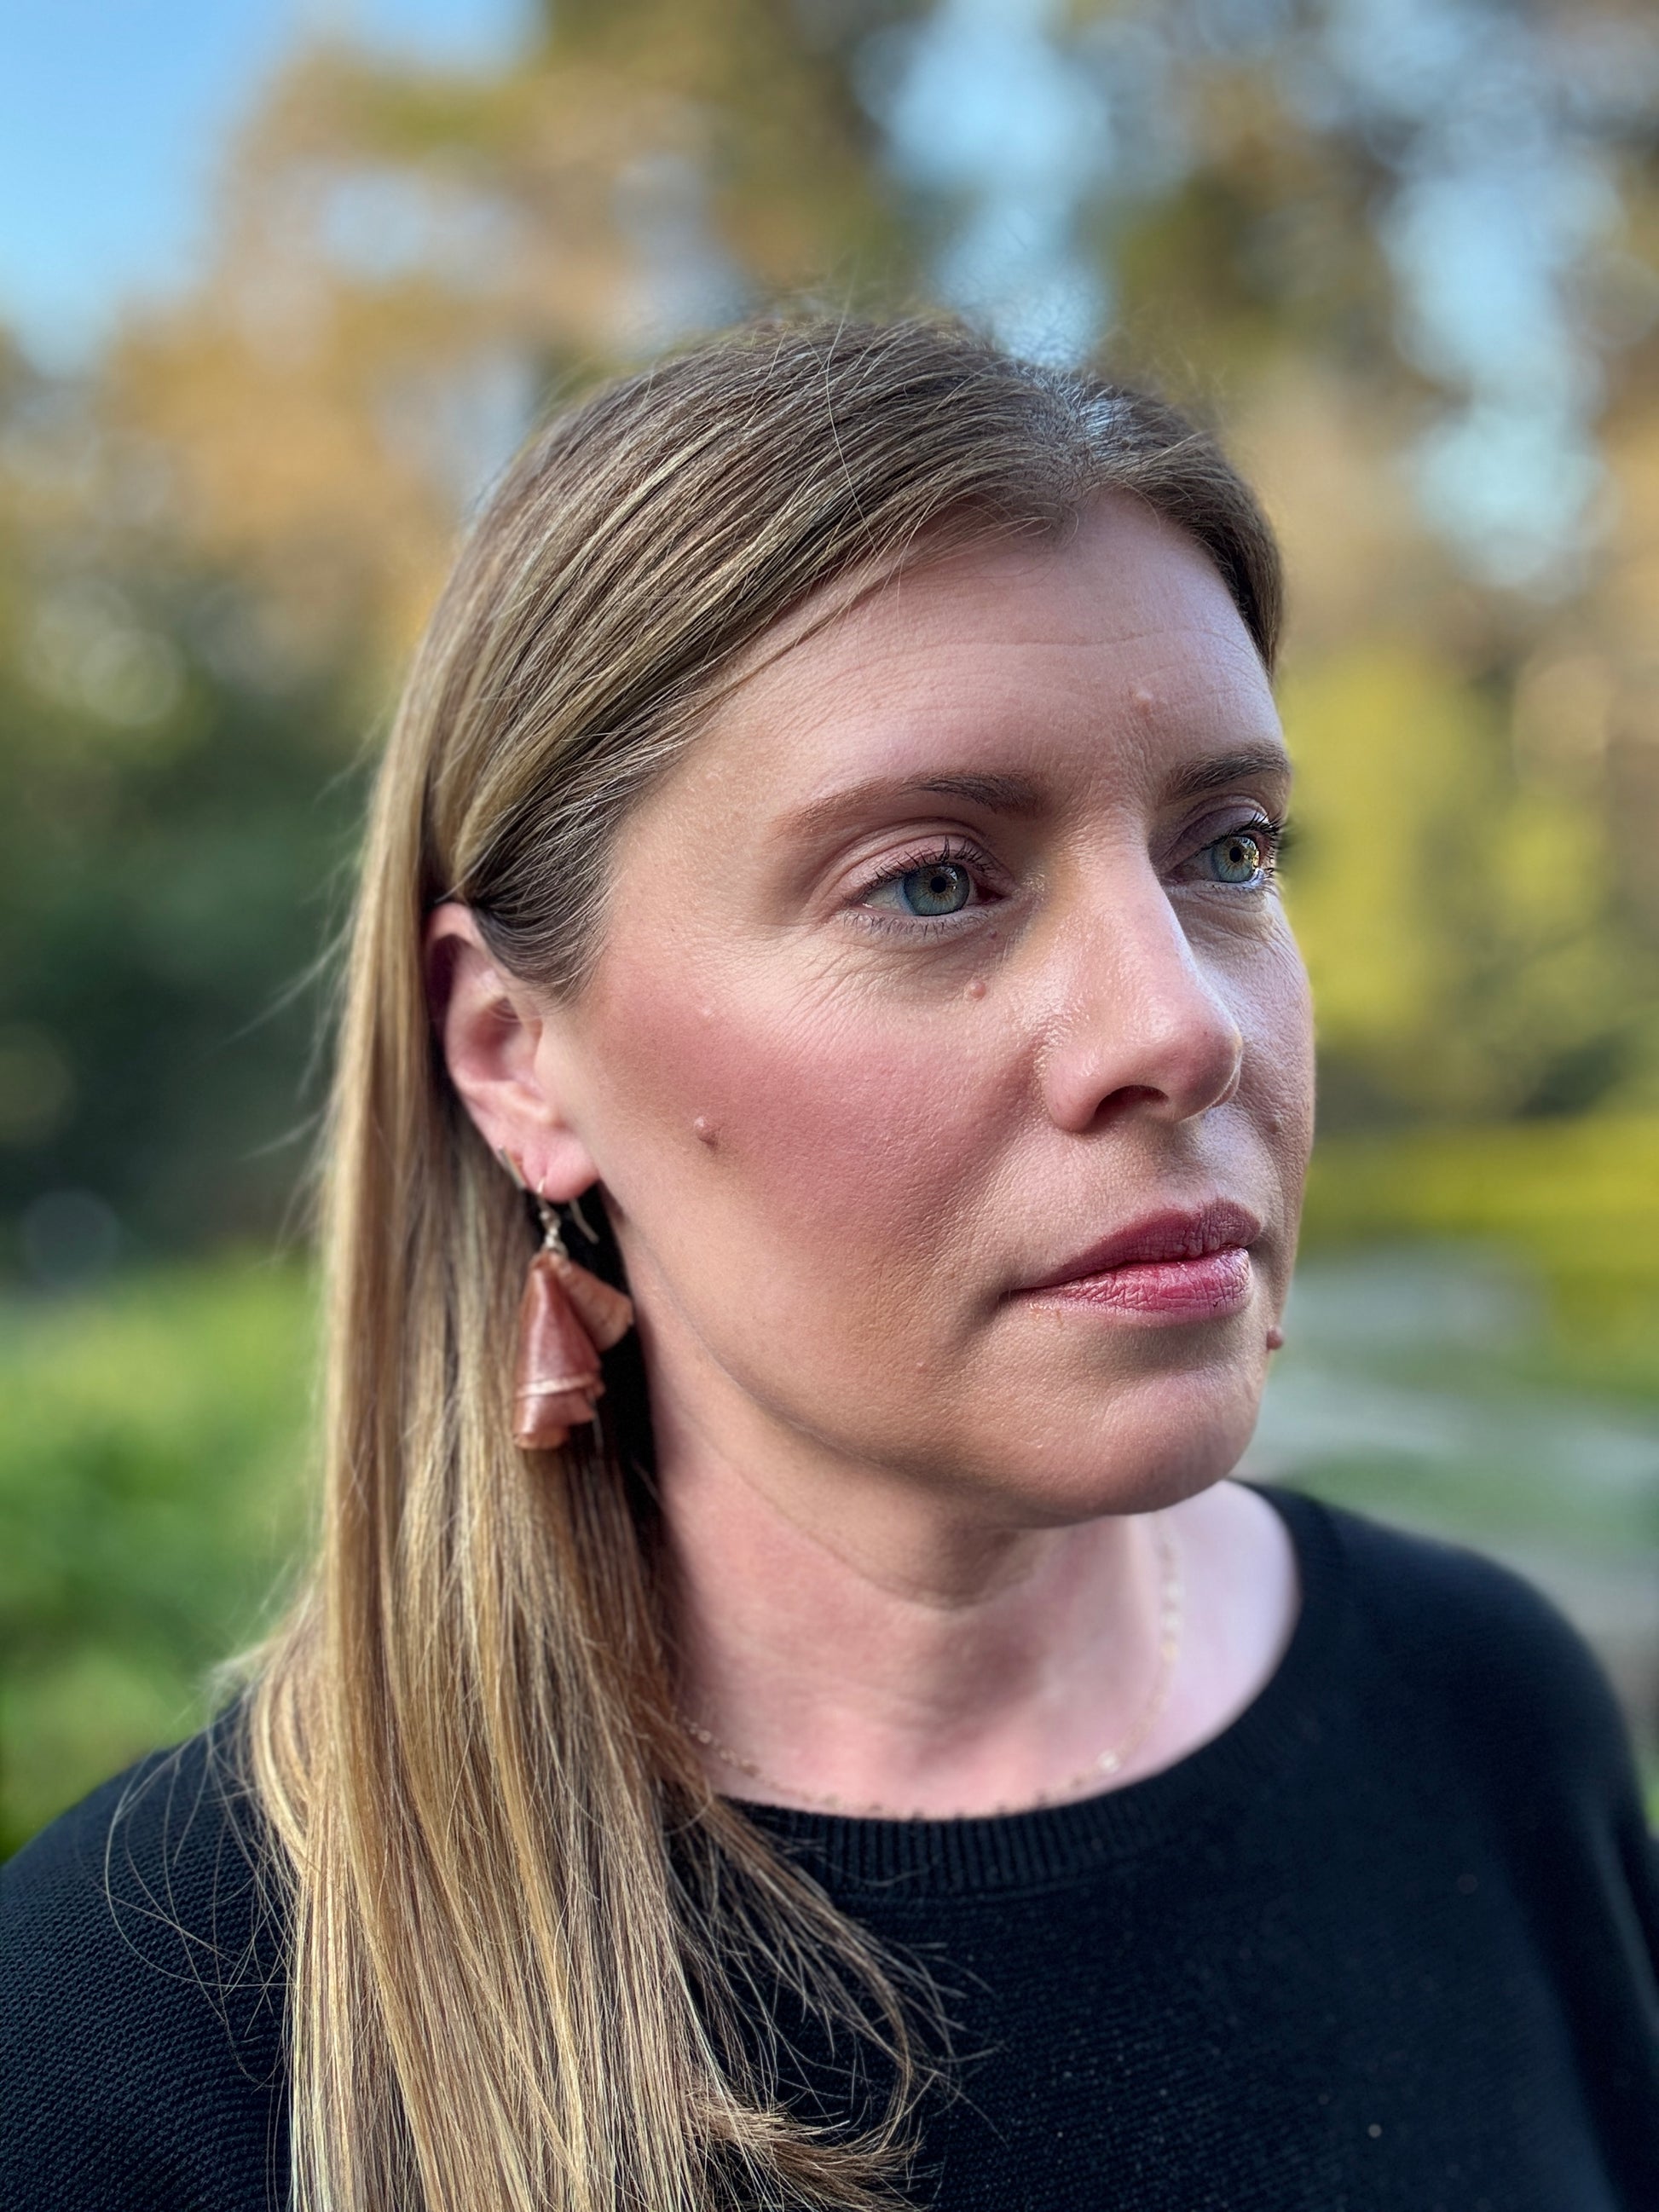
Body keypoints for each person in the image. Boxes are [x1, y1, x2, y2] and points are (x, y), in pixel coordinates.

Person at [3, 315, 1656, 2212]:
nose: (1182, 1026)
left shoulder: (1483, 1722)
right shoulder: (139, 2038)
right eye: (930, 880)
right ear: (515, 1054)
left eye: (1229, 851)